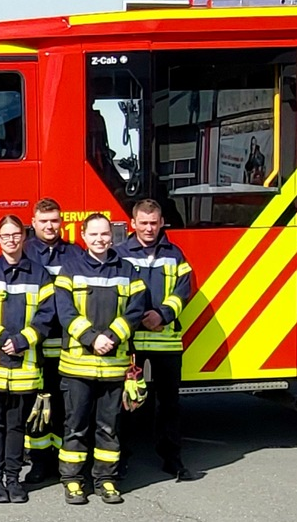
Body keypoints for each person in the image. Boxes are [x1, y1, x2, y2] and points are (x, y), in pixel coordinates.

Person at [54, 214, 146, 506]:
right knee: (76, 425)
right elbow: (65, 312)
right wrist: (93, 338)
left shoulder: (128, 270)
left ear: (112, 236)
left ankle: (106, 479)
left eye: (105, 234)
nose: (100, 240)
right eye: (93, 234)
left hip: (113, 365)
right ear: (83, 236)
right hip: (77, 365)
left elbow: (135, 310)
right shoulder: (69, 269)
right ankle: (73, 481)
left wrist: (112, 337)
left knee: (109, 426)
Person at [0, 215, 56, 504]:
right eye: (6, 235)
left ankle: (13, 480)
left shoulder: (40, 274)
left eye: (16, 234)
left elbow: (46, 315)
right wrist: (1, 336)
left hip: (24, 364)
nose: (11, 240)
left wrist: (21, 341)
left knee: (17, 426)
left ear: (24, 236)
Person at [118, 199, 194, 482]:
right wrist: (138, 319)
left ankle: (172, 459)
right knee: (126, 402)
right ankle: (121, 458)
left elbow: (184, 290)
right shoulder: (120, 253)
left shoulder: (175, 254)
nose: (149, 228)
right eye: (144, 223)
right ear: (133, 224)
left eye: (154, 223)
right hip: (133, 342)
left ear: (162, 223)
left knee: (169, 404)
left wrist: (162, 314)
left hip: (166, 341)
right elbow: (117, 292)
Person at [22, 197, 77, 484]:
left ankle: (64, 461)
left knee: (65, 405)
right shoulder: (25, 252)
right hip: (35, 344)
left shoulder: (76, 254)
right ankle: (39, 462)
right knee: (37, 407)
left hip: (67, 343)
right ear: (33, 223)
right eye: (44, 221)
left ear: (62, 222)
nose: (50, 226)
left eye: (54, 220)